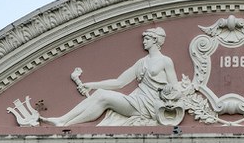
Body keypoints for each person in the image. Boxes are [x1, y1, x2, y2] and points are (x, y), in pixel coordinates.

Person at [41, 27, 179, 126]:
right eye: (144, 39)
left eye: (147, 39)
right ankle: (63, 121)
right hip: (137, 100)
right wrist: (91, 85)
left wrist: (168, 97)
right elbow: (119, 82)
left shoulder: (165, 61)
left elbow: (176, 89)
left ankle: (66, 123)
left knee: (104, 97)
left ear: (155, 40)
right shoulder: (141, 63)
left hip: (149, 105)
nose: (144, 41)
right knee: (100, 93)